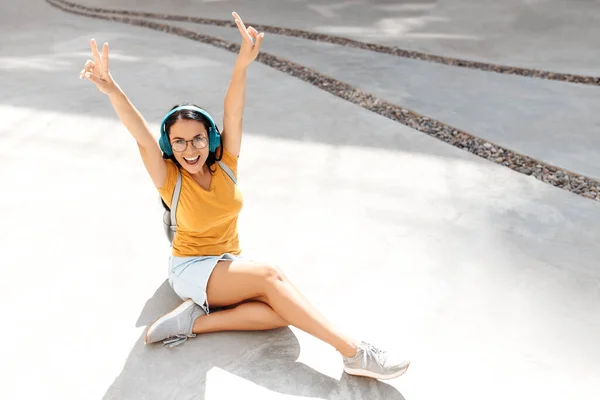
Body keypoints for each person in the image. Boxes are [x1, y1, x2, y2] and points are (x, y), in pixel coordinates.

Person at [80, 11, 410, 380]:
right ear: (169, 146)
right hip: (191, 270)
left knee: (285, 310)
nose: (190, 150)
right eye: (179, 142)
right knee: (272, 278)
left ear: (211, 138)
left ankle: (193, 322)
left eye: (198, 138)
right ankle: (353, 352)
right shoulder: (169, 178)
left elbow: (233, 111)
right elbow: (140, 133)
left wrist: (242, 64)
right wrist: (111, 89)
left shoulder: (226, 165)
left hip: (226, 261)